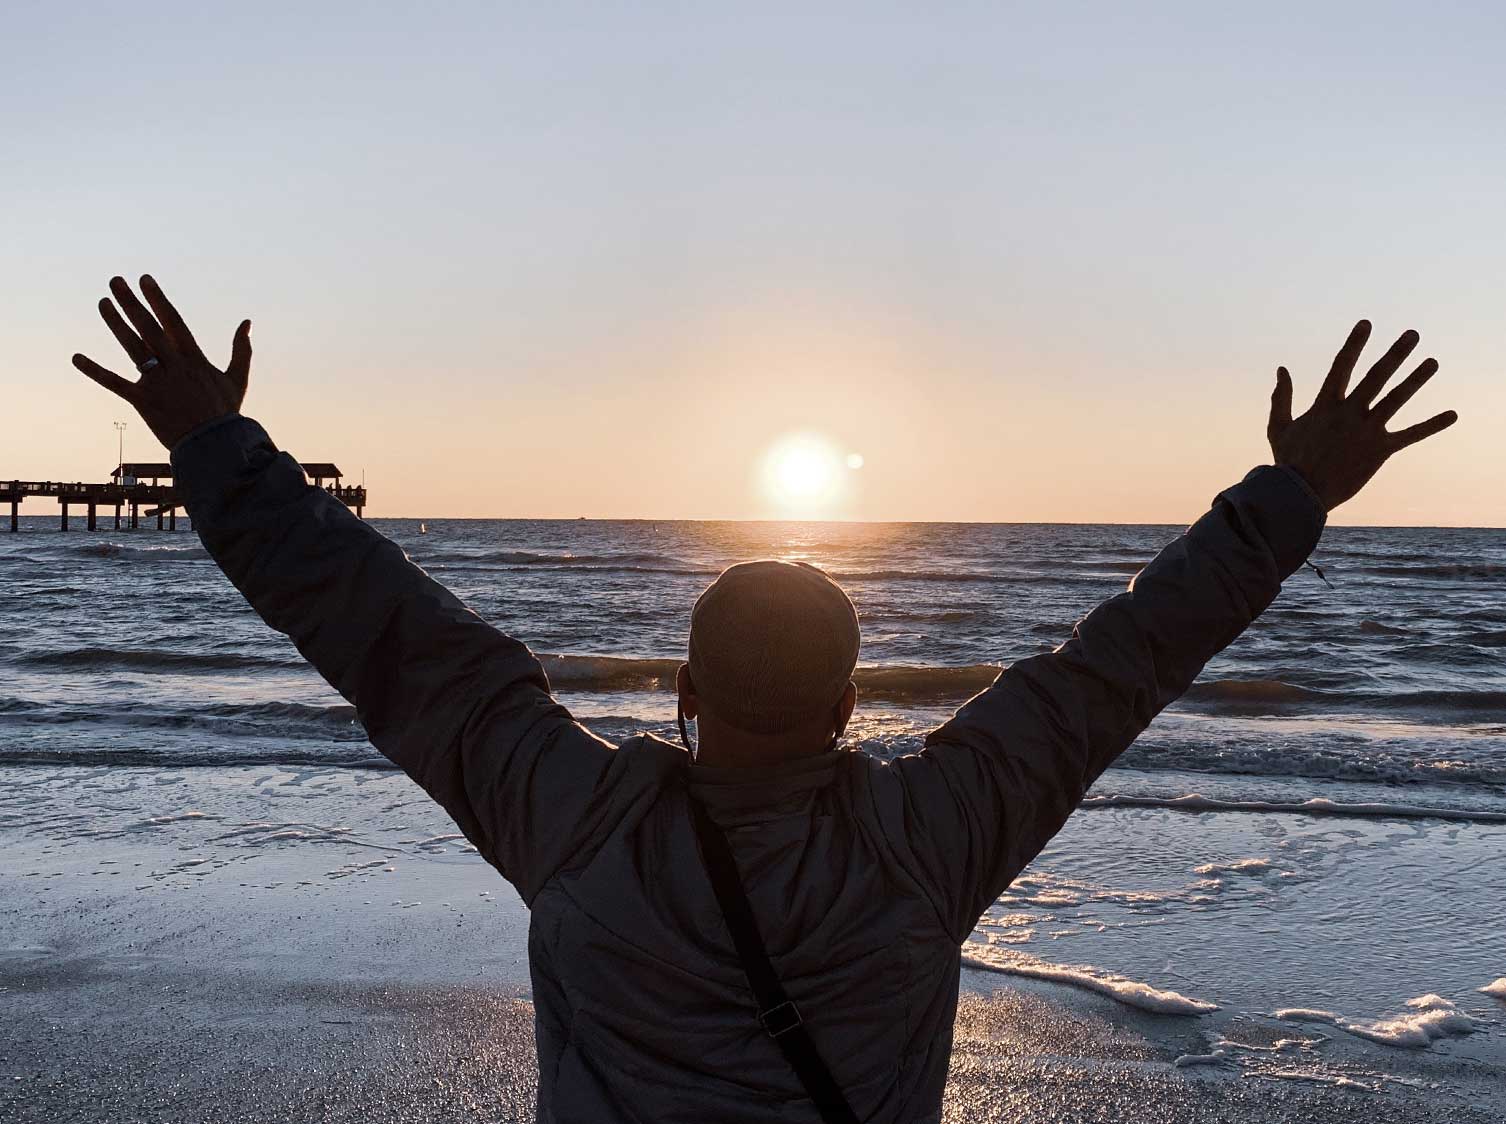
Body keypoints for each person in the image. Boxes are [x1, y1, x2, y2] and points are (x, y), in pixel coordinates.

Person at [73, 275, 1457, 1124]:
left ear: (681, 688)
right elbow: (1121, 662)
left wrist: (215, 447)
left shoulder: (574, 821)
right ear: (855, 698)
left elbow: (384, 633)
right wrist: (1289, 495)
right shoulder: (926, 838)